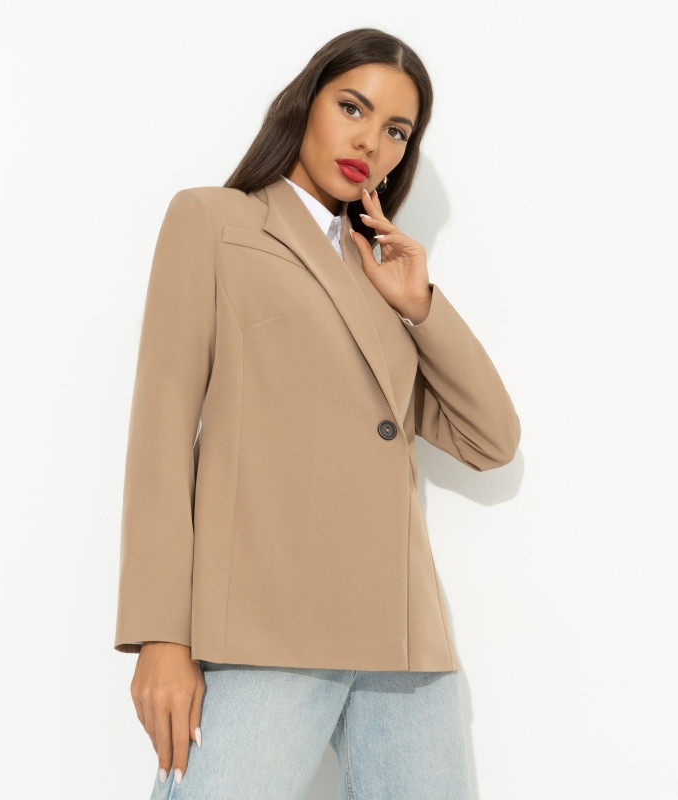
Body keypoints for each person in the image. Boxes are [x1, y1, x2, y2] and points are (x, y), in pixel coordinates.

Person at [114, 27, 520, 800]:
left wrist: (420, 305)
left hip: (404, 645)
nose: (370, 141)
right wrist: (161, 635)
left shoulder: (378, 272)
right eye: (353, 107)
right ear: (304, 103)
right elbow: (160, 432)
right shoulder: (215, 220)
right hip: (266, 628)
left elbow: (491, 439)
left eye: (396, 130)